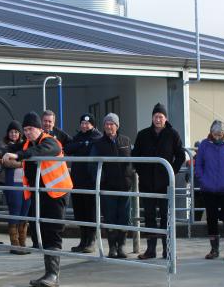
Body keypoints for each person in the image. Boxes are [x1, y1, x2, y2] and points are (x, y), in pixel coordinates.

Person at [0, 112, 72, 287]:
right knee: (42, 232)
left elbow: (42, 151)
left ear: (39, 128)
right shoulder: (28, 143)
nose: (27, 133)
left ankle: (53, 275)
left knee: (53, 231)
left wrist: (19, 156)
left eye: (31, 129)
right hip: (41, 194)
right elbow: (11, 148)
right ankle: (48, 273)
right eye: (26, 129)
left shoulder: (50, 141)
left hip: (56, 193)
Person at [132, 103, 185, 259]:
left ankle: (166, 249)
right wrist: (141, 171)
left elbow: (180, 155)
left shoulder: (173, 134)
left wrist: (171, 171)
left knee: (165, 216)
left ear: (165, 118)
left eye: (161, 116)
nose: (158, 119)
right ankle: (150, 249)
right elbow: (135, 156)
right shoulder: (143, 134)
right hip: (147, 183)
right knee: (149, 216)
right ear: (152, 118)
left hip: (165, 183)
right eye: (155, 116)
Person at [194, 121, 224, 260]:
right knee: (211, 218)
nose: (217, 137)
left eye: (220, 134)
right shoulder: (204, 144)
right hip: (208, 189)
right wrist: (203, 180)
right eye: (215, 134)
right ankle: (214, 249)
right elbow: (199, 165)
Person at [89, 113, 134, 259]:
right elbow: (92, 165)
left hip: (124, 187)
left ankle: (121, 246)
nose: (109, 126)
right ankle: (112, 247)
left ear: (117, 125)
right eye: (106, 124)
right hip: (108, 187)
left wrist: (130, 176)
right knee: (110, 218)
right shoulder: (98, 143)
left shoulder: (126, 140)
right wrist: (101, 180)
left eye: (111, 124)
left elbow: (133, 161)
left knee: (124, 217)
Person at [64, 113, 102, 253]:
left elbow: (92, 146)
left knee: (90, 211)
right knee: (79, 211)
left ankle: (91, 241)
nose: (84, 126)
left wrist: (81, 146)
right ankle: (82, 240)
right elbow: (68, 149)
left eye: (87, 123)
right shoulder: (79, 136)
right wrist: (83, 144)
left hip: (90, 180)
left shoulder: (97, 136)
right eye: (82, 123)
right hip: (77, 180)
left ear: (93, 124)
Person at [0, 122, 31, 254]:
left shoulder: (25, 145)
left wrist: (18, 161)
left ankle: (22, 242)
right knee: (15, 211)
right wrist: (23, 162)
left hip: (25, 184)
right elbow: (6, 162)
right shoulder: (4, 146)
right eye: (11, 132)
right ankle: (15, 244)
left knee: (25, 211)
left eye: (16, 132)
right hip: (12, 184)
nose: (14, 134)